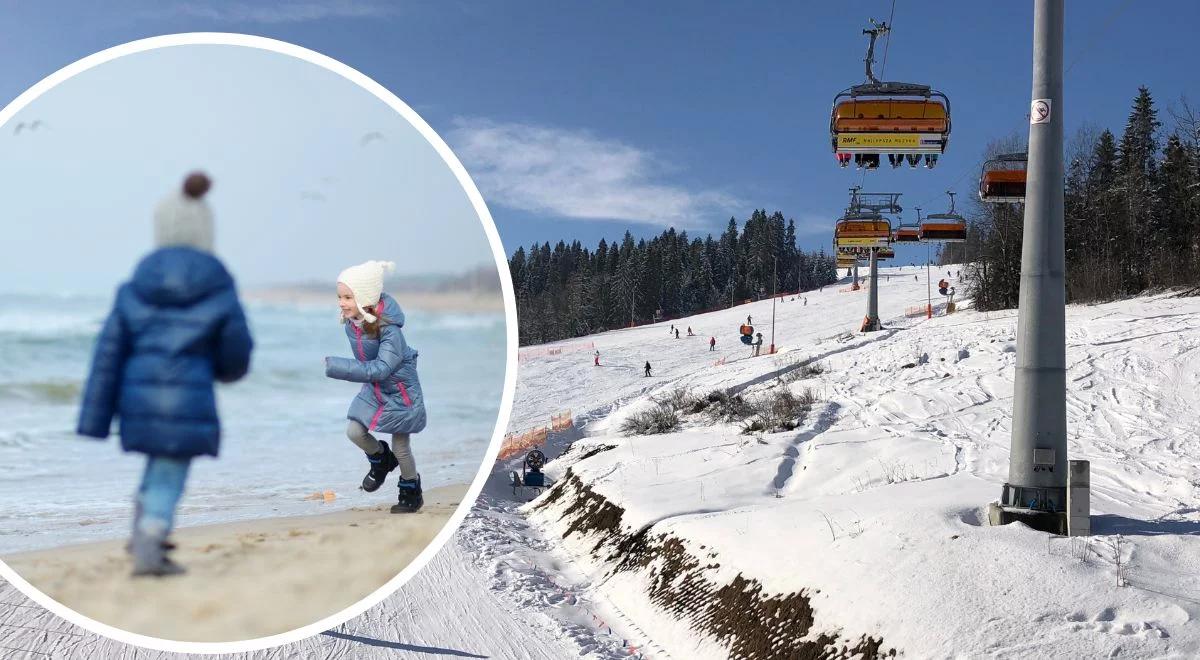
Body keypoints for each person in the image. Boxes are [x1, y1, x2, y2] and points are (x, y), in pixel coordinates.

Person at [77, 173, 254, 577]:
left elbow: (108, 353)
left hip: (138, 399)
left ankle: (142, 533)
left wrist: (95, 418)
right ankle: (151, 539)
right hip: (188, 397)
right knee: (170, 470)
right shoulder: (218, 282)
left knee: (159, 464)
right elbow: (236, 346)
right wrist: (226, 372)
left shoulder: (135, 284)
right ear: (206, 230)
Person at [326, 260, 428, 514]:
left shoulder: (391, 331)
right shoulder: (354, 323)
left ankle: (411, 491)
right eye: (340, 296)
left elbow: (382, 367)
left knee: (401, 447)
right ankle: (381, 460)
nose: (342, 302)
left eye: (348, 297)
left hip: (400, 392)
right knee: (354, 431)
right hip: (375, 388)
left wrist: (338, 366)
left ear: (365, 299)